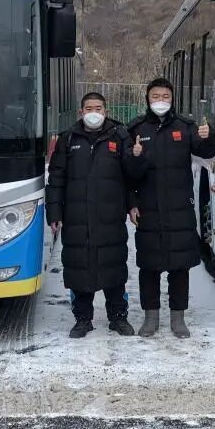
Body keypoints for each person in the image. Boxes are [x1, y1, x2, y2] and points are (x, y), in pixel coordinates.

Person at [46, 92, 146, 339]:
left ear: (106, 111)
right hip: (76, 216)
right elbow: (56, 178)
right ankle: (83, 319)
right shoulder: (68, 139)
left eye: (98, 108)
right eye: (89, 108)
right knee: (79, 267)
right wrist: (54, 212)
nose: (94, 113)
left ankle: (118, 317)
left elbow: (130, 176)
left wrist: (136, 159)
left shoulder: (120, 135)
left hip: (110, 215)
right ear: (81, 112)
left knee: (113, 266)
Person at [127, 78, 215, 338]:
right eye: (155, 96)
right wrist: (132, 203)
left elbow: (206, 152)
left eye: (165, 96)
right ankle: (150, 318)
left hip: (180, 208)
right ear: (147, 99)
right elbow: (127, 172)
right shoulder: (136, 128)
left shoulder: (186, 127)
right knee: (149, 266)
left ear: (172, 98)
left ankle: (178, 319)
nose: (160, 101)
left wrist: (209, 136)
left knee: (180, 267)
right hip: (148, 209)